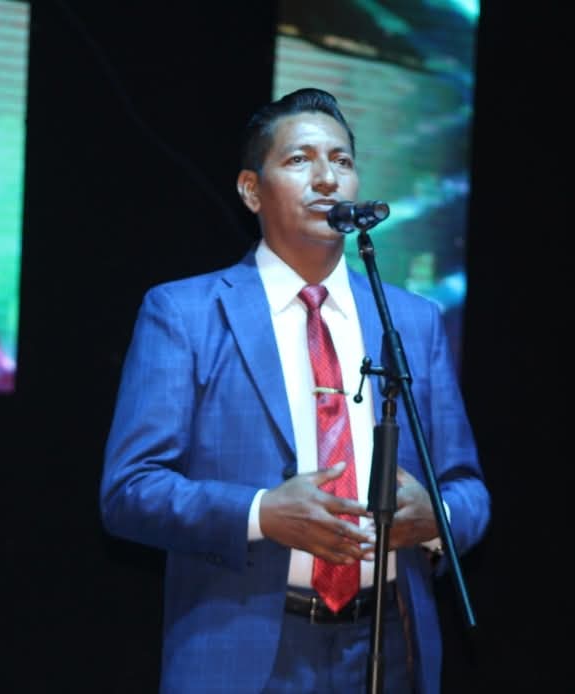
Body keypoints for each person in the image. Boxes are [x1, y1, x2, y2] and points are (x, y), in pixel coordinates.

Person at [100, 88, 489, 693]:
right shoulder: (184, 313)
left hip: (389, 647)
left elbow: (468, 489)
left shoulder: (412, 321)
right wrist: (263, 514)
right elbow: (130, 491)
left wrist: (433, 519)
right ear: (251, 190)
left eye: (342, 160)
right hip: (244, 650)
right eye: (300, 159)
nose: (327, 178)